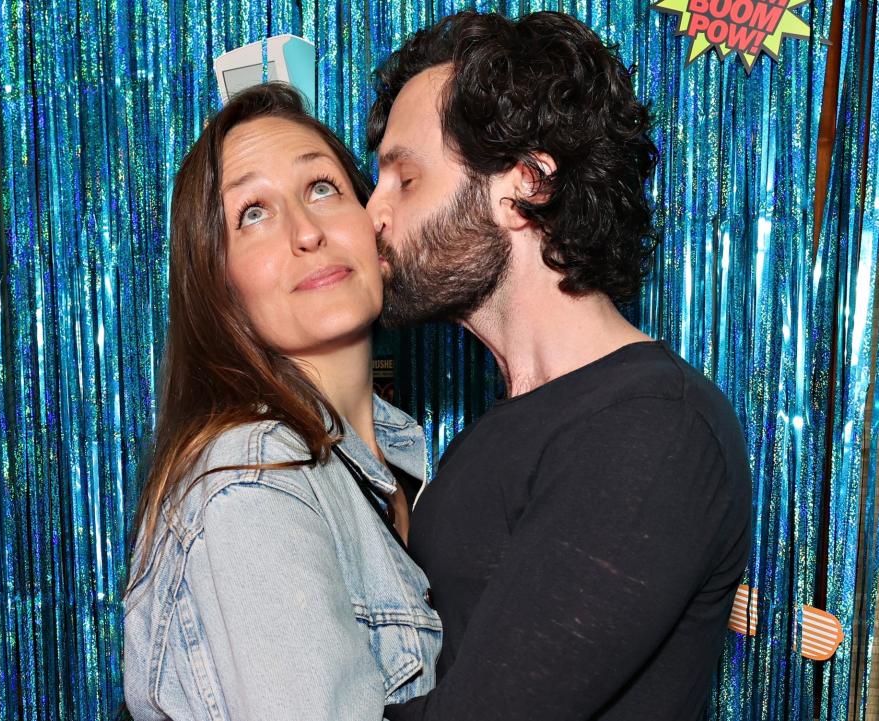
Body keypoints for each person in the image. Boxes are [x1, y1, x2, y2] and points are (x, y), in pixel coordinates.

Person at [364, 11, 753, 720]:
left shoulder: (652, 428)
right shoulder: (503, 430)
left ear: (528, 184)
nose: (372, 214)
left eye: (405, 180)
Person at [122, 82, 441, 720]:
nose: (306, 232)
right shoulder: (254, 477)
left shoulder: (403, 451)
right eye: (253, 213)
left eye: (321, 187)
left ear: (372, 222)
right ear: (219, 286)